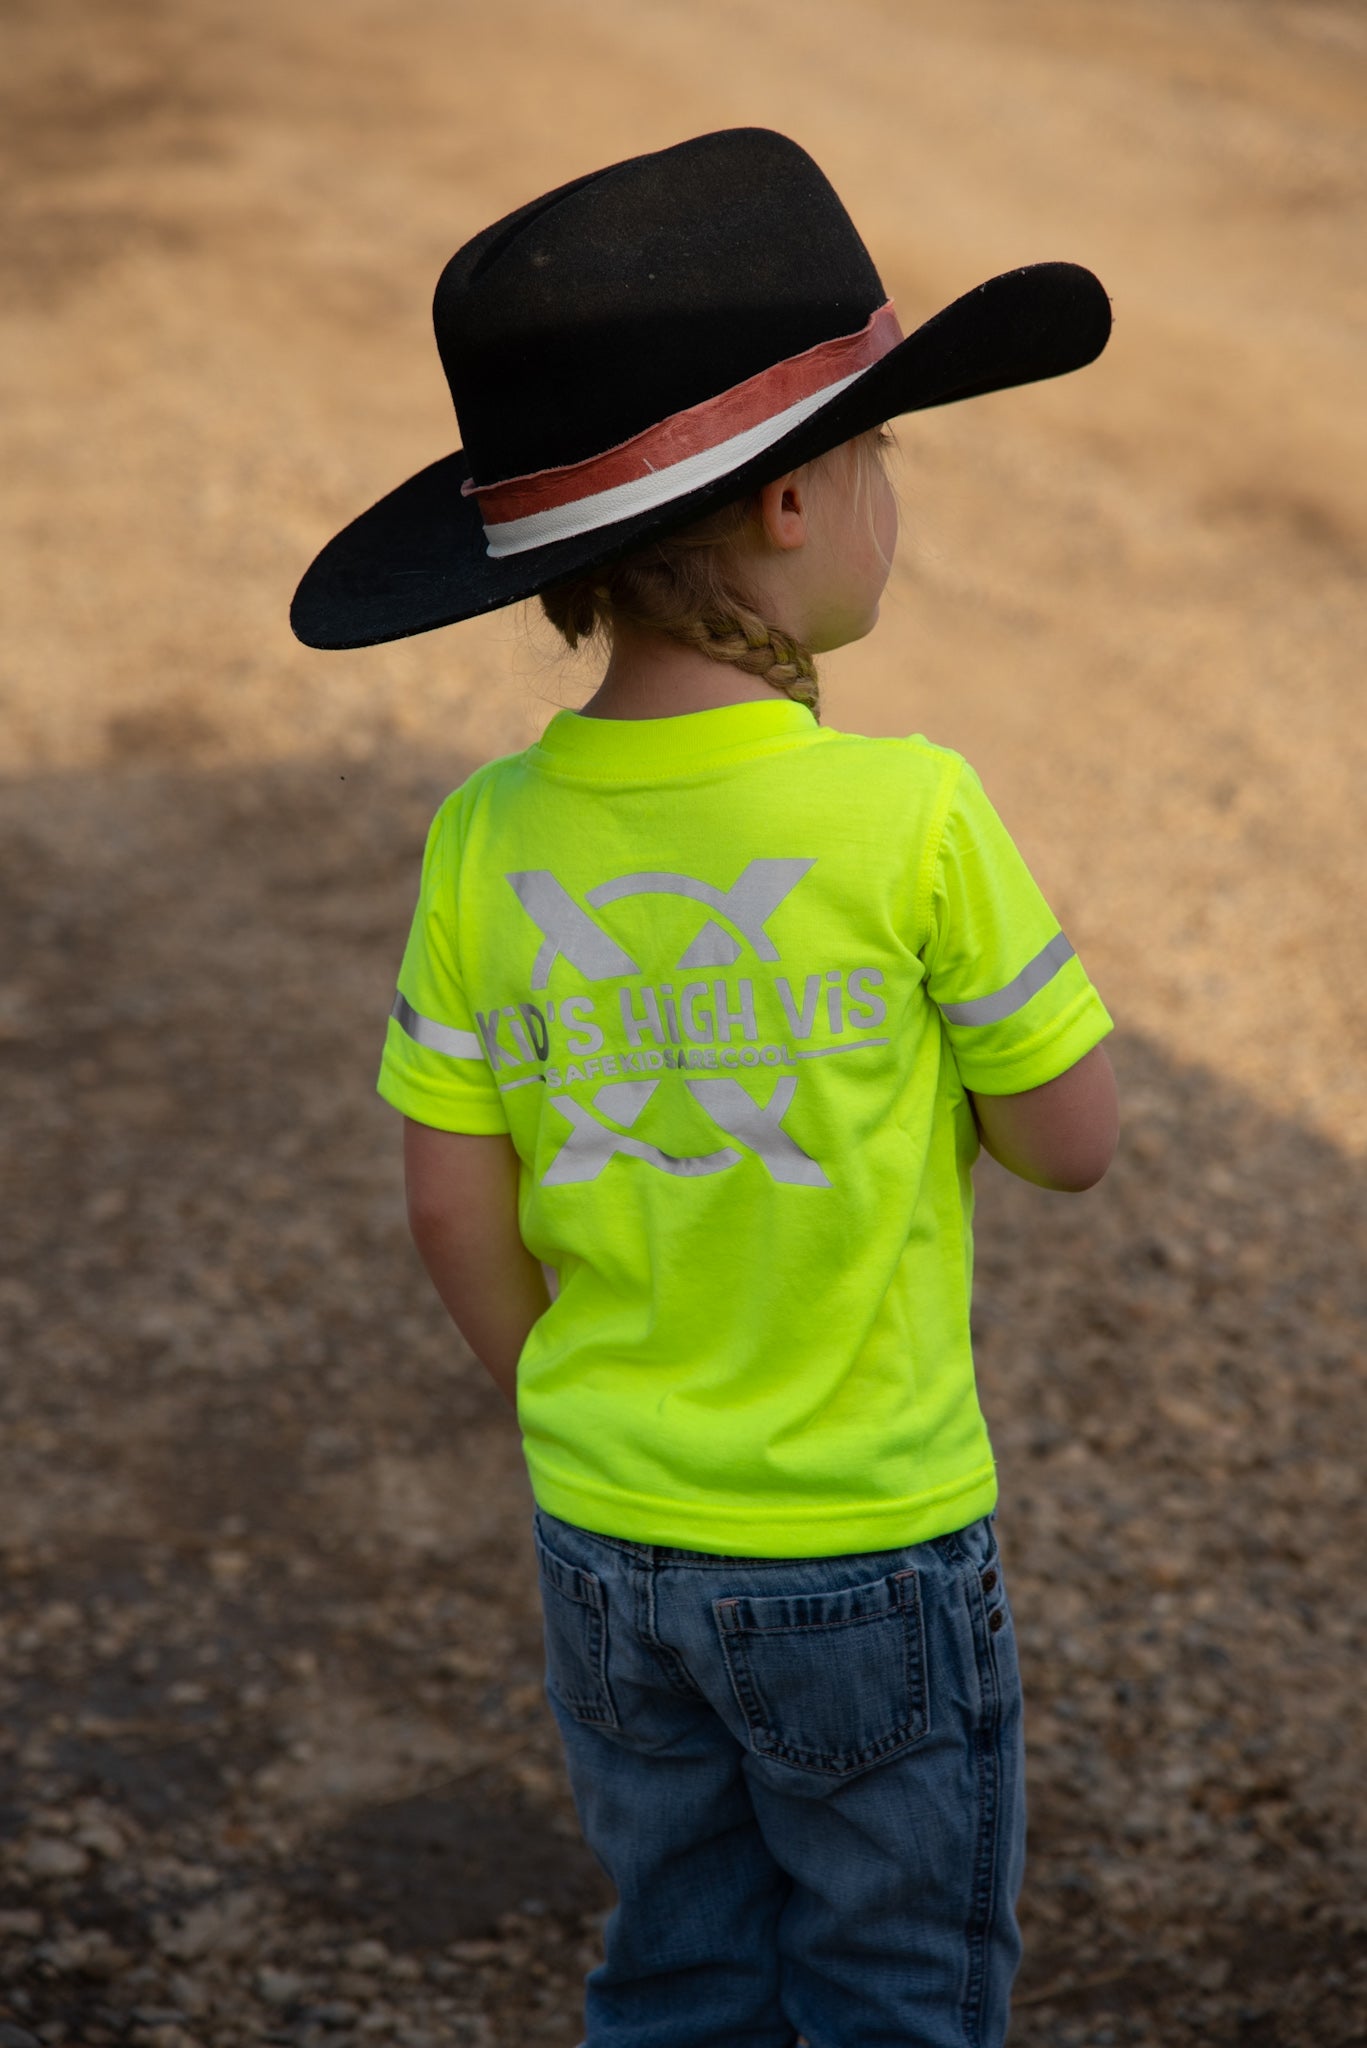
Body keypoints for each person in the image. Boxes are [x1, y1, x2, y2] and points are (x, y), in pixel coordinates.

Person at [292, 128, 1119, 2048]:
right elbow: (1073, 1148)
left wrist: (578, 1395)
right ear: (789, 509)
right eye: (884, 457)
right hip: (867, 1545)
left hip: (607, 1540)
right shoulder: (911, 813)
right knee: (898, 1978)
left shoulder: (484, 837)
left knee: (681, 1962)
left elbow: (443, 1198)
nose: (894, 501)